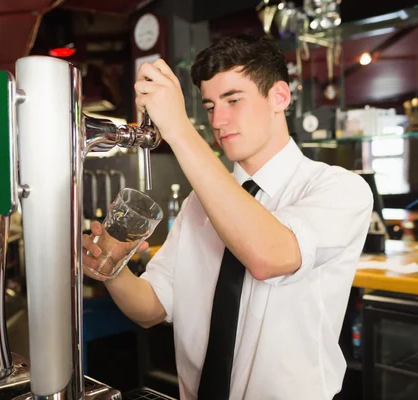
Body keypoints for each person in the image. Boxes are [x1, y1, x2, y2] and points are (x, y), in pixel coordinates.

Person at [82, 35, 373, 400]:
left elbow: (269, 256)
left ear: (279, 97)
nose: (218, 120)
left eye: (234, 100)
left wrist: (179, 129)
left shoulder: (338, 188)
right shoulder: (197, 205)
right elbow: (151, 307)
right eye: (209, 106)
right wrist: (111, 269)